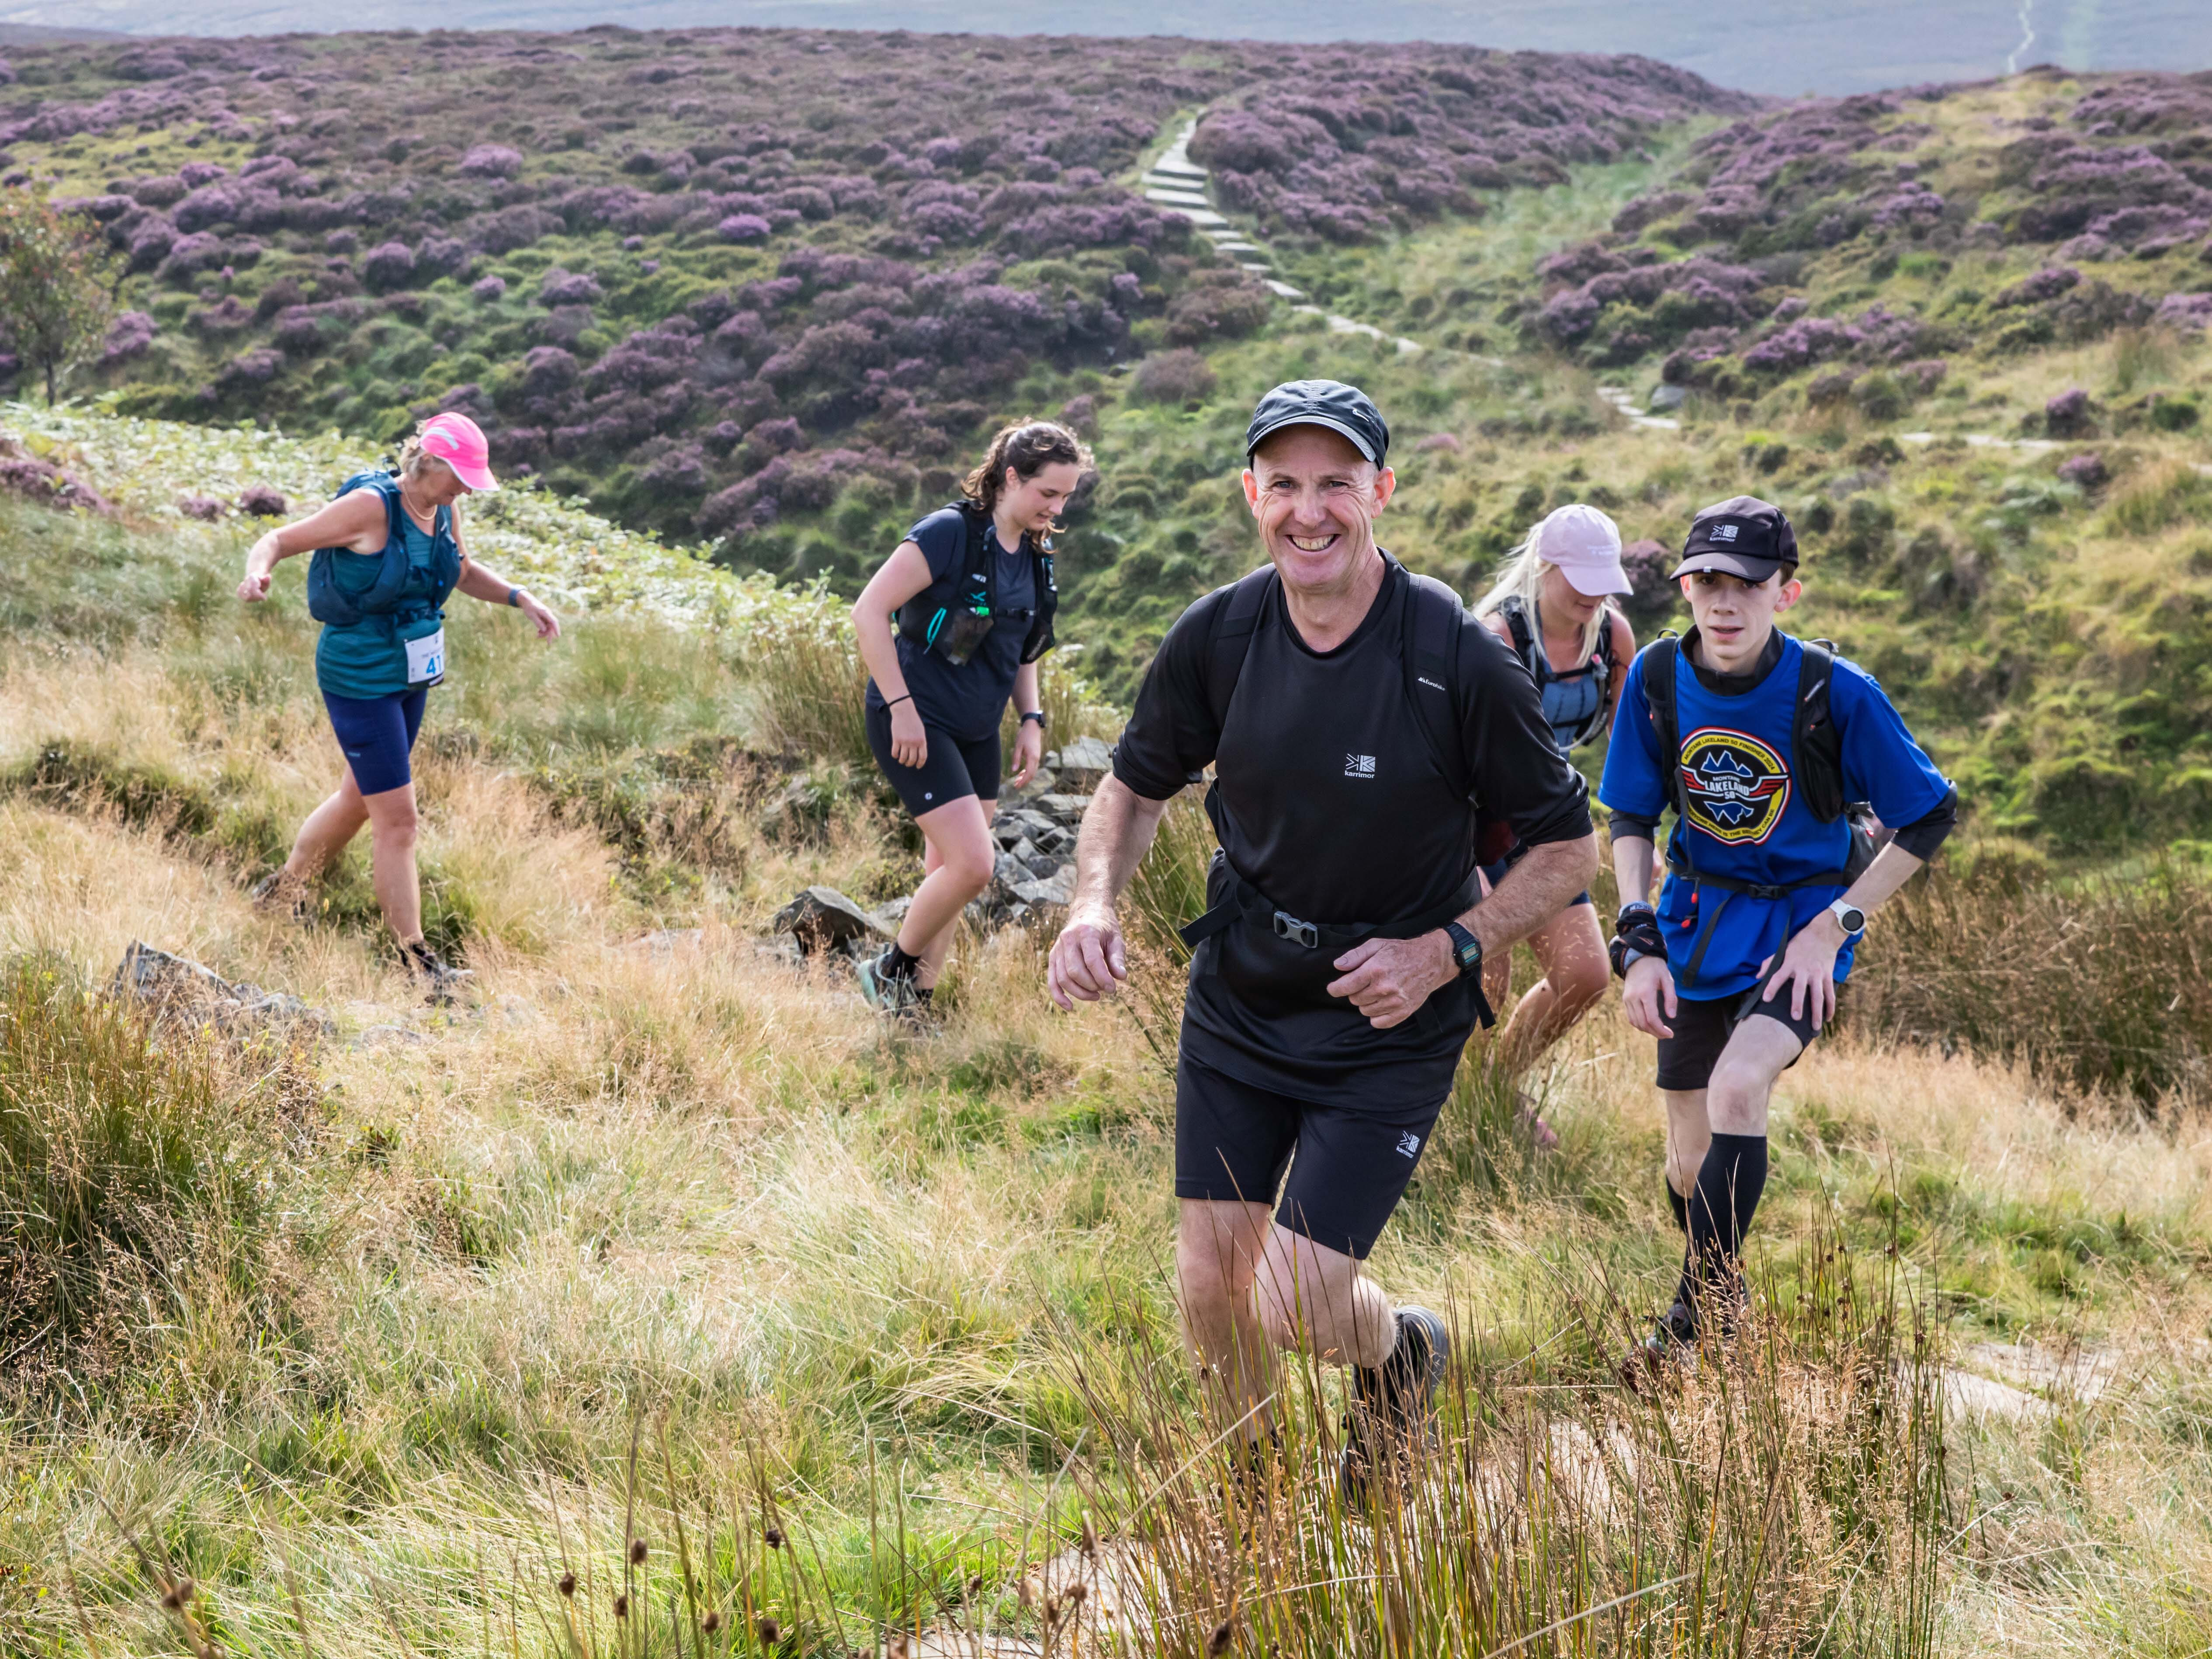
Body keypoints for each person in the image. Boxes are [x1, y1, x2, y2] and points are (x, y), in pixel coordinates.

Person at [1046, 381, 1597, 1500]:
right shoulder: (1223, 632)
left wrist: (1446, 946)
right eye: (1284, 484)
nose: (1309, 511)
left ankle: (1399, 1355)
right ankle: (1254, 1508)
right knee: (1210, 1282)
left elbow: (1567, 853)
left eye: (1335, 484)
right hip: (1243, 992)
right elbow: (1131, 787)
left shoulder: (1453, 655)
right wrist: (1091, 902)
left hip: (1389, 1018)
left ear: (1379, 492)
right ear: (1252, 494)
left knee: (1293, 1299)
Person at [1598, 497, 1956, 1364]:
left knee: (1736, 1088)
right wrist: (1636, 930)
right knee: (1688, 1165)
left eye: (1745, 585)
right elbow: (1630, 815)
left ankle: (1682, 1328)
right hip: (1690, 919)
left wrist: (1833, 924)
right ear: (1683, 587)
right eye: (1704, 582)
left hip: (1800, 923)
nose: (1722, 603)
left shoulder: (1833, 693)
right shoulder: (1653, 679)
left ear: (1783, 593)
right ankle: (1724, 1301)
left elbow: (1927, 816)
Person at [236, 413, 562, 995]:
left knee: (358, 798)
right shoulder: (370, 507)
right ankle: (415, 964)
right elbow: (279, 540)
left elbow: (458, 571)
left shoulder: (442, 509)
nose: (466, 488)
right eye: (460, 475)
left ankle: (282, 894)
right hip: (359, 674)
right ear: (428, 462)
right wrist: (257, 574)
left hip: (411, 672)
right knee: (400, 822)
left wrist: (520, 598)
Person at [851, 420, 1090, 1017]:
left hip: (979, 727)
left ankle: (915, 1008)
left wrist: (1030, 718)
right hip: (915, 717)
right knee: (973, 865)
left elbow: (1020, 648)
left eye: (1065, 497)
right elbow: (868, 612)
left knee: (946, 871)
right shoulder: (948, 533)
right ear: (1011, 477)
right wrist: (901, 707)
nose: (1056, 508)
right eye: (1047, 494)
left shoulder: (1034, 554)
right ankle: (891, 970)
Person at [1468, 503, 1638, 1142]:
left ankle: (1492, 1091)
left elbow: (1628, 751)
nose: (1593, 594)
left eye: (1603, 578)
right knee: (1485, 971)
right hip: (1471, 826)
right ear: (1545, 568)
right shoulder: (1495, 639)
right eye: (1580, 578)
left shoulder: (1612, 637)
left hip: (1548, 826)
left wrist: (1633, 837)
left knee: (1585, 976)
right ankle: (1460, 1113)